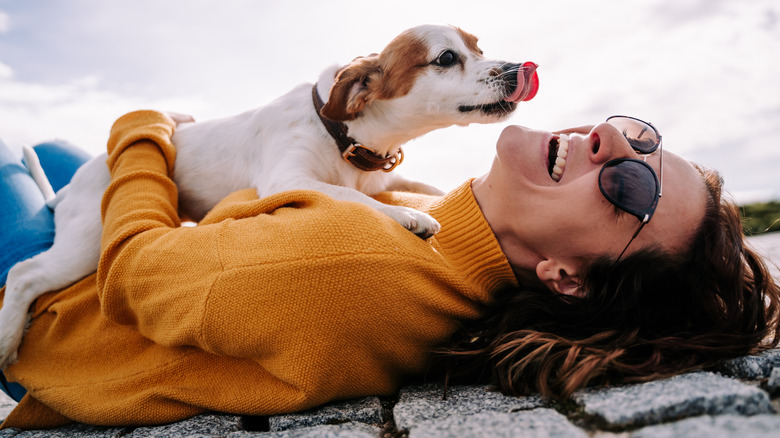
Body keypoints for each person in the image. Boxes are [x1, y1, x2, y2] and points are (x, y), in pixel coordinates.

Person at [0, 111, 777, 429]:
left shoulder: (354, 266)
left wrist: (144, 132)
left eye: (629, 189)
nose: (610, 143)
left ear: (564, 277)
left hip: (61, 317)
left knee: (18, 152)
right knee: (66, 160)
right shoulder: (444, 226)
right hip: (121, 254)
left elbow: (137, 274)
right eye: (640, 137)